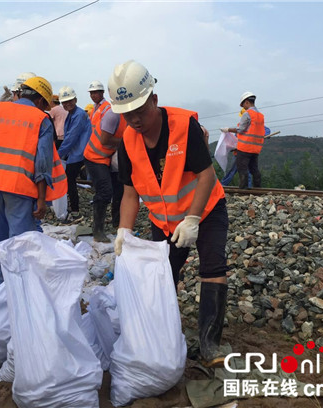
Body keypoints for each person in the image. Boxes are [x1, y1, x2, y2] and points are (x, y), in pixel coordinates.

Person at [110, 60, 229, 368]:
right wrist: (124, 230)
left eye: (140, 111)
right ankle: (164, 337)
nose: (134, 120)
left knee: (213, 267)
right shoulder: (128, 141)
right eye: (127, 114)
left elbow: (206, 175)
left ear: (154, 99)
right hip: (164, 222)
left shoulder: (182, 126)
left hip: (205, 211)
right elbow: (130, 192)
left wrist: (192, 220)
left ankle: (210, 343)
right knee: (163, 276)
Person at [0, 76, 67, 285]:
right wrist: (41, 200)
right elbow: (42, 163)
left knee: (2, 238)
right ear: (40, 101)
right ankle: (19, 288)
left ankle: (3, 285)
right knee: (20, 242)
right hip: (19, 186)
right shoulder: (40, 119)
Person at [83, 80, 127, 240]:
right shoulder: (112, 113)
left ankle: (116, 223)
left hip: (105, 158)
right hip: (94, 158)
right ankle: (98, 230)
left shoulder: (117, 113)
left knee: (116, 189)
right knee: (105, 191)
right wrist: (126, 142)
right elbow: (104, 139)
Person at [56, 86, 92, 223]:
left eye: (70, 101)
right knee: (69, 179)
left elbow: (71, 138)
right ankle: (73, 207)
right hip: (74, 153)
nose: (67, 104)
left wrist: (58, 155)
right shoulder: (71, 114)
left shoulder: (79, 115)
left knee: (69, 179)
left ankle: (75, 210)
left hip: (79, 154)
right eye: (64, 102)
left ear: (75, 100)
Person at [220, 92, 265, 189]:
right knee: (254, 169)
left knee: (242, 169)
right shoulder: (260, 116)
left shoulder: (247, 114)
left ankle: (242, 190)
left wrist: (228, 129)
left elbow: (240, 129)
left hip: (244, 148)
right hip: (256, 148)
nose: (243, 107)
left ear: (247, 102)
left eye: (243, 105)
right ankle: (258, 188)